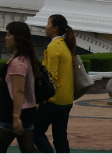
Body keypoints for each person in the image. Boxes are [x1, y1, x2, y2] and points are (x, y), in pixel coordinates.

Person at [0, 22, 38, 153]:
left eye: (9, 35)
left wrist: (16, 117)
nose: (5, 38)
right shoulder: (24, 59)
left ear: (18, 38)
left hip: (13, 112)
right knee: (28, 150)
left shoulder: (19, 63)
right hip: (26, 111)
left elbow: (19, 91)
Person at [34, 14, 75, 153]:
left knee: (36, 133)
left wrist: (43, 99)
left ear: (55, 28)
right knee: (60, 137)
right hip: (67, 99)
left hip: (53, 100)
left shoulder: (54, 47)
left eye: (48, 24)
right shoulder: (65, 45)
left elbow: (51, 76)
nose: (46, 27)